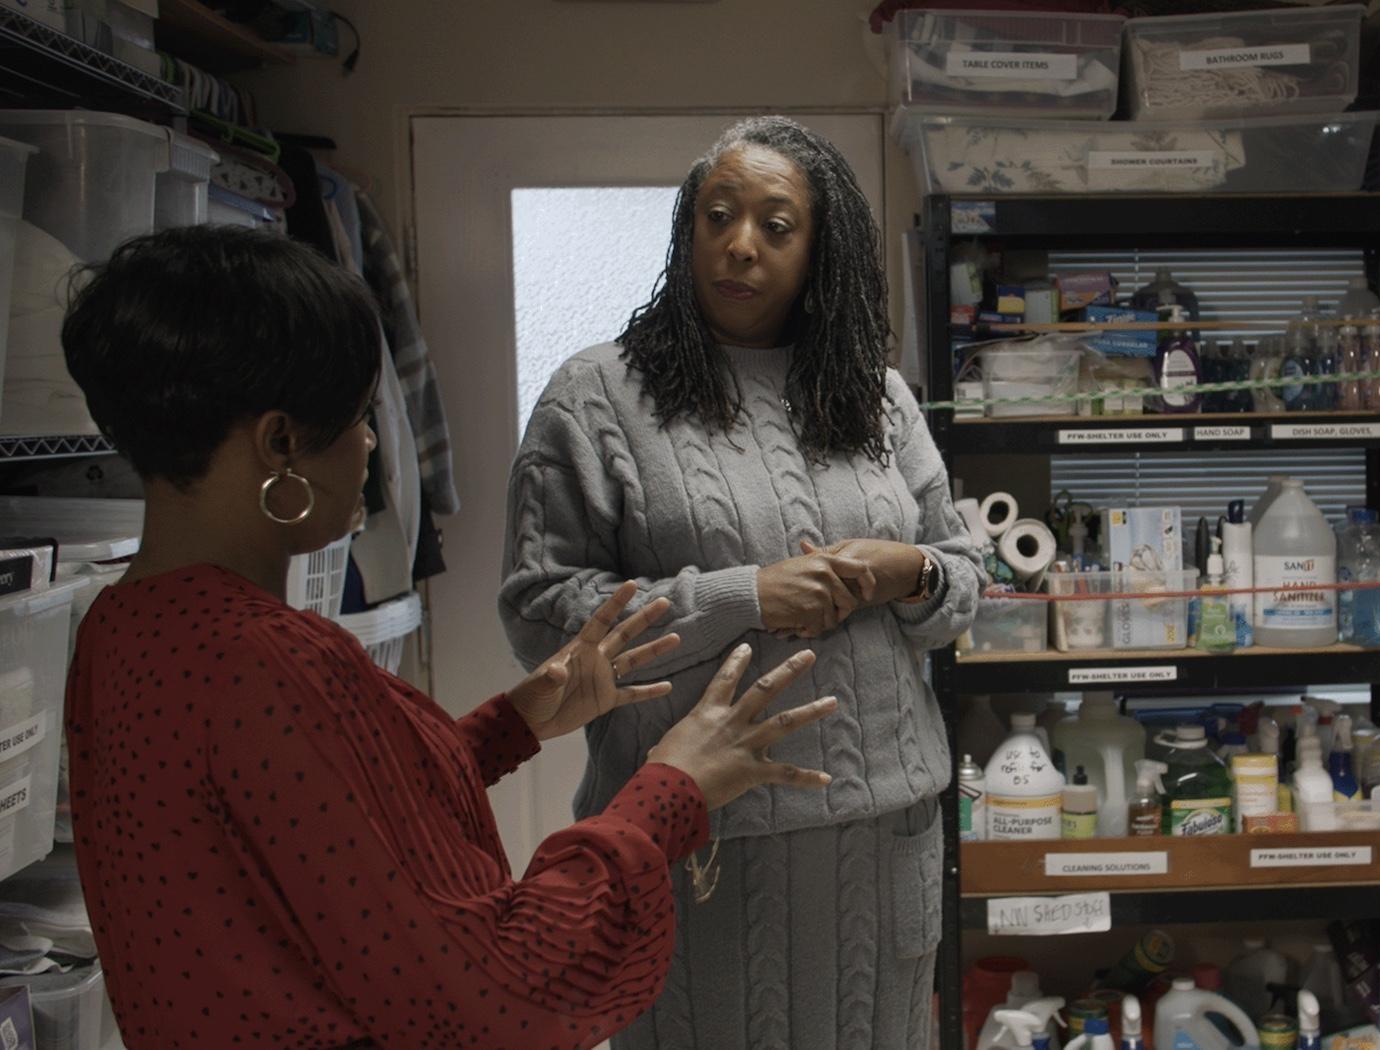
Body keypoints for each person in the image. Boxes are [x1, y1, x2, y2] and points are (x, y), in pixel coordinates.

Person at [60, 226, 839, 1049]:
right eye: (360, 416)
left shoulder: (120, 629)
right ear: (281, 442)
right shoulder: (270, 662)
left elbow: (318, 836)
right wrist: (672, 788)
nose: (370, 443)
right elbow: (495, 993)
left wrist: (512, 724)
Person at [501, 116, 983, 1050]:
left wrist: (913, 571)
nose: (740, 243)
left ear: (821, 250)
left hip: (881, 838)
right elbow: (538, 614)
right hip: (690, 835)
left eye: (775, 224)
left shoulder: (877, 397)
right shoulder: (595, 397)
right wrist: (743, 597)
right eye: (717, 216)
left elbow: (962, 584)